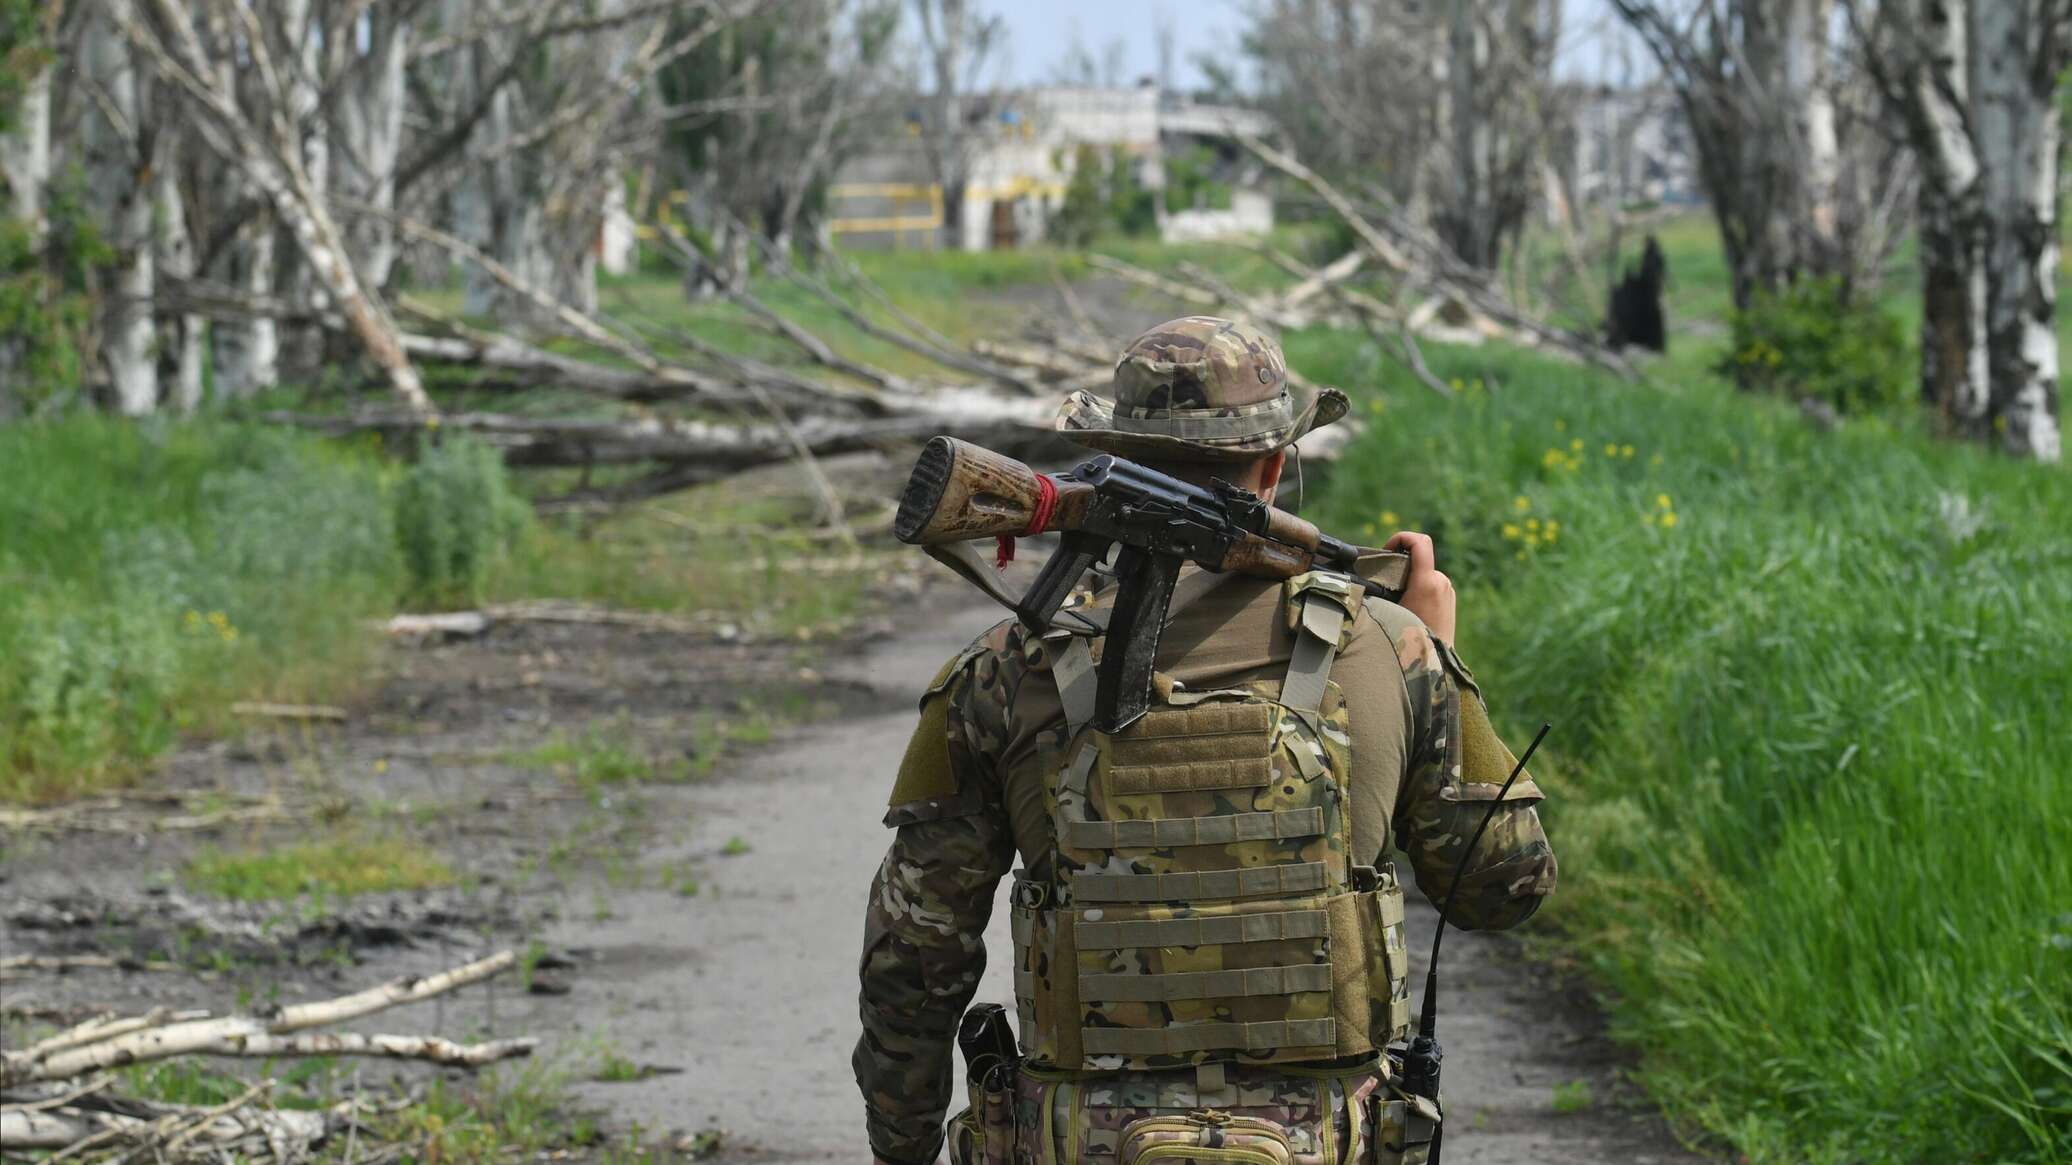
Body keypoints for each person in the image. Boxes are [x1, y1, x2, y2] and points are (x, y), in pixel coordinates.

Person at [855, 316, 1557, 1165]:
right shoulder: (1392, 646)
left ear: (1118, 450)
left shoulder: (1001, 670)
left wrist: (902, 1143)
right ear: (1274, 464)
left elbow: (913, 955)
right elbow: (1503, 887)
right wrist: (1437, 650)